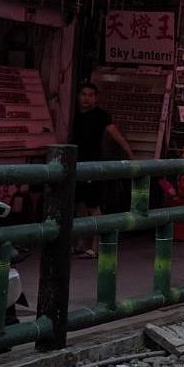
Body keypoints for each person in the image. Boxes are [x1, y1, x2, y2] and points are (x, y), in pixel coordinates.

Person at [71, 82, 133, 258]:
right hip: (77, 165)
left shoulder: (101, 116)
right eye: (83, 94)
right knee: (79, 206)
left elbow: (114, 133)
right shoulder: (74, 116)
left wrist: (128, 150)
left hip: (93, 166)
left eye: (90, 95)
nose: (86, 98)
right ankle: (82, 244)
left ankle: (95, 247)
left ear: (95, 98)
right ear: (78, 96)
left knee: (93, 206)